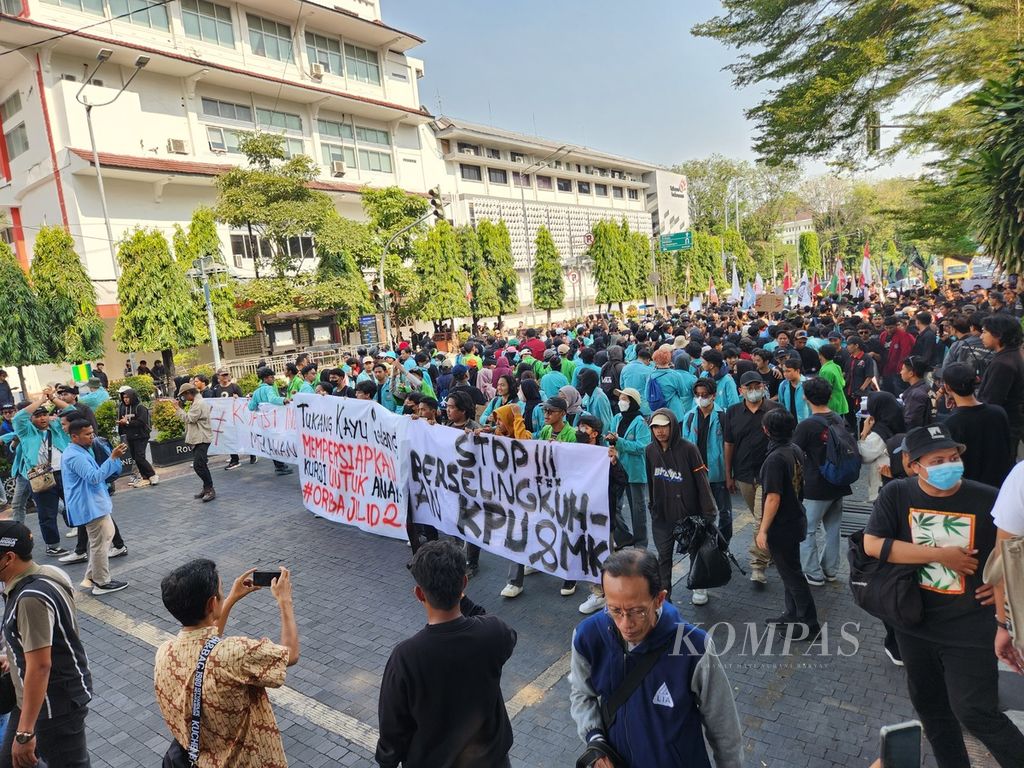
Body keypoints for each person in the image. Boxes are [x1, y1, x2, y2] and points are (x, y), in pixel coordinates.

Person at [864, 424, 1024, 767]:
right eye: (938, 460)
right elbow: (872, 544)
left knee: (975, 710)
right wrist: (939, 555)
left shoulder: (987, 498)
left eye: (953, 458)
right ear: (912, 464)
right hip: (913, 622)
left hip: (969, 628)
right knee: (931, 708)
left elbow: (1009, 553)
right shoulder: (897, 494)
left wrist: (998, 586)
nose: (949, 465)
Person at [568, 549, 742, 768]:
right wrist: (595, 739)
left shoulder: (694, 646)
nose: (625, 624)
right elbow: (581, 694)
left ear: (659, 598)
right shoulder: (587, 637)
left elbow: (723, 725)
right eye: (614, 610)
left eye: (637, 611)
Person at [377, 540, 515, 767]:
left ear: (419, 594)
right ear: (464, 583)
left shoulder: (406, 657)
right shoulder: (492, 634)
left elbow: (392, 734)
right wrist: (459, 595)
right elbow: (488, 620)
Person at [154, 559, 298, 768]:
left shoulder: (164, 652)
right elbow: (290, 654)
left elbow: (205, 647)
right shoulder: (235, 653)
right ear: (212, 603)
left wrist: (230, 599)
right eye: (221, 591)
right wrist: (285, 601)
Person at [0, 521, 94, 768]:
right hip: (34, 700)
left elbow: (41, 666)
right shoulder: (48, 573)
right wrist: (12, 657)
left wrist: (25, 733)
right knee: (10, 761)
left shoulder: (31, 598)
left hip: (54, 706)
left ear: (8, 558)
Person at [755, 409, 819, 635]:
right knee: (789, 571)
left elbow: (773, 497)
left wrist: (763, 530)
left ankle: (808, 624)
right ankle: (791, 614)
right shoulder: (794, 449)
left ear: (766, 430)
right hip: (795, 519)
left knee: (792, 576)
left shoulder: (775, 458)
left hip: (782, 525)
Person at [645, 408, 718, 605]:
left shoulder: (688, 449)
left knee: (695, 550)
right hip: (662, 515)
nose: (660, 431)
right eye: (655, 427)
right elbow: (651, 483)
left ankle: (698, 585)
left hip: (689, 514)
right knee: (663, 556)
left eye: (664, 426)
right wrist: (653, 506)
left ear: (672, 426)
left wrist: (708, 512)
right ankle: (663, 594)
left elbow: (702, 482)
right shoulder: (650, 450)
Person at [793, 377, 853, 587]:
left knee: (808, 529)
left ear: (806, 397)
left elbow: (794, 453)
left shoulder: (807, 425)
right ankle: (830, 570)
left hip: (815, 486)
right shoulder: (836, 417)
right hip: (838, 483)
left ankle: (813, 572)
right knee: (833, 529)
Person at [60, 419, 130, 595]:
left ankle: (93, 576)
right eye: (88, 434)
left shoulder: (79, 450)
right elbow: (94, 477)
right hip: (89, 506)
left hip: (94, 504)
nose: (92, 437)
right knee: (100, 543)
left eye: (92, 433)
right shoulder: (75, 455)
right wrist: (112, 457)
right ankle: (101, 582)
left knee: (104, 538)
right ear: (75, 436)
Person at [723, 371, 779, 584]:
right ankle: (769, 549)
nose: (754, 390)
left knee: (759, 521)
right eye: (749, 387)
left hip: (769, 475)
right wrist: (728, 474)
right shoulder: (733, 412)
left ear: (764, 387)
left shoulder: (775, 410)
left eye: (757, 386)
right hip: (744, 474)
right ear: (741, 391)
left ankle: (758, 566)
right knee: (763, 519)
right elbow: (729, 444)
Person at [10, 391, 71, 556]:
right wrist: (41, 400)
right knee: (47, 513)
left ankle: (85, 536)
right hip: (40, 475)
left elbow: (72, 411)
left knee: (74, 506)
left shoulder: (57, 426)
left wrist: (53, 399)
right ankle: (53, 545)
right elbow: (18, 418)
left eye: (44, 414)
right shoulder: (26, 431)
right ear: (31, 419)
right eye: (38, 416)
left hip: (63, 472)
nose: (43, 418)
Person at [941, 362, 1014, 487]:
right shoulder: (999, 412)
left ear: (947, 388)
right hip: (1000, 486)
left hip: (970, 490)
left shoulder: (951, 423)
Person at [681, 377, 732, 544]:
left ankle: (723, 545)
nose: (701, 398)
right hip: (696, 473)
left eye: (704, 394)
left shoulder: (723, 416)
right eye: (698, 394)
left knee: (724, 512)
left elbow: (729, 445)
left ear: (713, 396)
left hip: (718, 472)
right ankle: (704, 544)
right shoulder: (689, 416)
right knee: (699, 511)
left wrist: (730, 475)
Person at [605, 388, 651, 549]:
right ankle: (623, 536)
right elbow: (611, 438)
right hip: (616, 468)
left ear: (632, 402)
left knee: (637, 510)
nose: (621, 402)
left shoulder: (641, 422)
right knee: (612, 506)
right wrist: (611, 443)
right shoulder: (617, 418)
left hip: (634, 471)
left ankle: (641, 543)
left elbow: (642, 447)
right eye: (620, 398)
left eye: (624, 399)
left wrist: (619, 442)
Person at [978, 312, 1024, 452]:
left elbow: (992, 401)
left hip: (1004, 427)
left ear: (998, 335)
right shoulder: (1013, 354)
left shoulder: (1003, 363)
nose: (981, 336)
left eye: (985, 332)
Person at [857, 391, 906, 503]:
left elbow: (864, 455)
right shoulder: (900, 419)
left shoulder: (880, 432)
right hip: (901, 475)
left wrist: (864, 432)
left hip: (884, 480)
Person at [175, 383, 216, 502]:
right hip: (199, 437)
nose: (184, 398)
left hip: (202, 438)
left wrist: (178, 409)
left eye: (183, 395)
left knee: (199, 465)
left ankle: (209, 489)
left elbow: (189, 419)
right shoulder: (196, 402)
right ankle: (206, 487)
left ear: (189, 393)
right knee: (200, 465)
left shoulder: (198, 403)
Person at [249, 367, 293, 476]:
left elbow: (251, 407)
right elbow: (273, 399)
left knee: (271, 443)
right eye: (271, 377)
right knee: (277, 442)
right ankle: (280, 466)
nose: (273, 379)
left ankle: (279, 464)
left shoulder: (256, 392)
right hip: (272, 421)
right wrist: (284, 400)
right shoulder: (269, 389)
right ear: (265, 378)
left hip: (263, 423)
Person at [116, 387, 157, 488]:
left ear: (132, 397)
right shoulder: (122, 408)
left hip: (141, 436)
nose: (125, 399)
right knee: (135, 458)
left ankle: (152, 475)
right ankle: (145, 478)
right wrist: (122, 427)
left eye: (127, 397)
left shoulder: (140, 407)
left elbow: (142, 422)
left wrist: (128, 422)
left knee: (140, 457)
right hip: (130, 437)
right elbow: (122, 421)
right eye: (124, 397)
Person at [900, 356, 932, 429]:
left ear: (911, 373)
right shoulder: (927, 388)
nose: (900, 372)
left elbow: (911, 423)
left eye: (902, 369)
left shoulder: (916, 395)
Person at [817, 344, 849, 417]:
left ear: (821, 355)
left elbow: (825, 390)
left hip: (831, 403)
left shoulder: (826, 371)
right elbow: (842, 383)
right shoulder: (836, 366)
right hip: (839, 400)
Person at [776, 358, 810, 422]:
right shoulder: (783, 385)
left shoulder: (808, 383)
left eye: (788, 371)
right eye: (784, 371)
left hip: (806, 422)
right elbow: (781, 405)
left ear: (797, 371)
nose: (785, 374)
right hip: (790, 422)